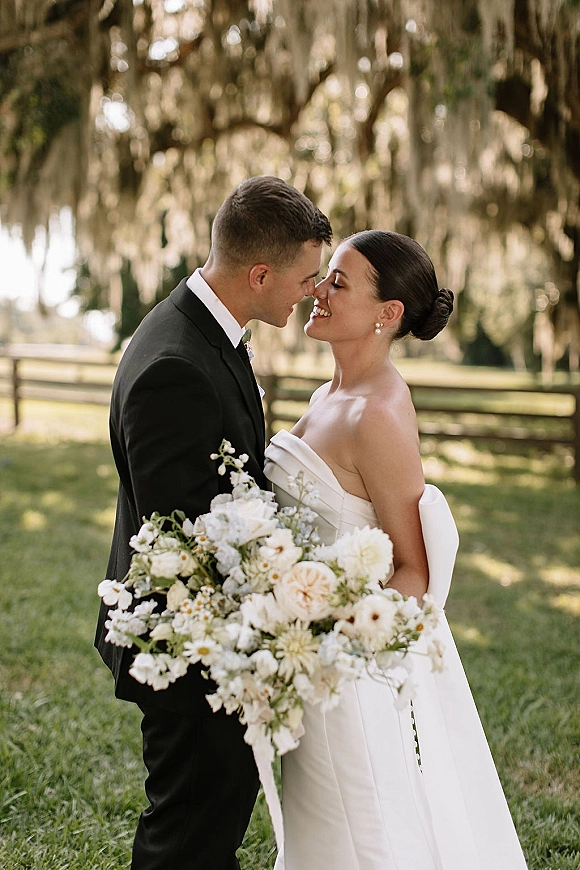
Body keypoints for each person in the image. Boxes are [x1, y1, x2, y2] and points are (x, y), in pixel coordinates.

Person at [264, 230, 529, 869]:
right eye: (326, 275)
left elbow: (413, 569)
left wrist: (335, 639)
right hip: (305, 662)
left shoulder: (377, 414)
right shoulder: (329, 395)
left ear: (388, 315)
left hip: (342, 674)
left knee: (362, 839)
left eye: (339, 282)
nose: (318, 290)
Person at [94, 176, 332, 870]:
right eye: (305, 278)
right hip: (190, 649)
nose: (311, 292)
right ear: (260, 274)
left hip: (210, 640)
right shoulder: (177, 363)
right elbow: (188, 536)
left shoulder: (203, 331)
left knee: (207, 828)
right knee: (189, 838)